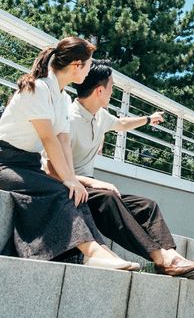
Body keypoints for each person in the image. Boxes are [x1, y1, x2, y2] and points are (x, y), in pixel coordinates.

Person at [68, 59, 194, 279]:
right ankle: (160, 259)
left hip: (91, 188)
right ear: (99, 91)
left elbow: (121, 124)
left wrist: (148, 119)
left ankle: (172, 256)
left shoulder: (99, 116)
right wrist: (94, 182)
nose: (113, 91)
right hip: (70, 188)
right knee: (108, 197)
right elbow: (50, 168)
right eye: (111, 87)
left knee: (146, 206)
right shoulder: (69, 118)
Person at [0, 38, 134, 270]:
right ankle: (91, 253)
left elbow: (63, 141)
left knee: (76, 193)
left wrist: (72, 179)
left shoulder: (62, 98)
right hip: (5, 162)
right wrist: (68, 180)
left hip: (29, 165)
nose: (90, 70)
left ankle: (100, 252)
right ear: (76, 65)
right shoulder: (38, 88)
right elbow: (48, 138)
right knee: (62, 190)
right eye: (89, 64)